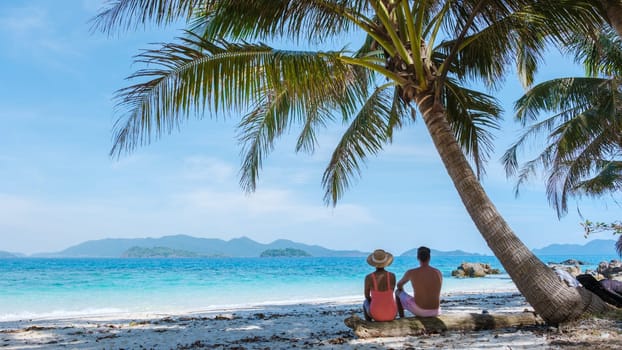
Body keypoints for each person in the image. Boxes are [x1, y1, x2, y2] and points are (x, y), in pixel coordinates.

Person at [395, 246, 442, 317]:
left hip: (421, 311)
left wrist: (403, 290)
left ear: (417, 258)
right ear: (429, 258)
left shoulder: (411, 272)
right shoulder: (438, 272)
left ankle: (402, 317)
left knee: (397, 292)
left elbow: (399, 285)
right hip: (436, 311)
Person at [363, 249, 397, 322]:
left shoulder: (369, 277)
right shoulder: (392, 276)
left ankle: (369, 324)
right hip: (392, 313)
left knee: (365, 302)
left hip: (376, 314)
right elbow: (391, 292)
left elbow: (366, 296)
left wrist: (373, 300)